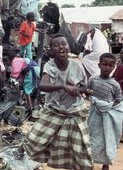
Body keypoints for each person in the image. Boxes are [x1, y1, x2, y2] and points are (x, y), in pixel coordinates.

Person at [14, 34, 93, 170]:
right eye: (56, 45)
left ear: (69, 47)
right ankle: (20, 151)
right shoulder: (50, 66)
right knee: (36, 136)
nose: (61, 47)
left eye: (64, 44)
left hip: (75, 110)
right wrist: (63, 86)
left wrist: (78, 89)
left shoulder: (77, 66)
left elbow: (85, 87)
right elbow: (42, 86)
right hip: (55, 109)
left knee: (80, 145)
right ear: (51, 51)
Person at [87, 53, 123, 170]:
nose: (107, 68)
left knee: (106, 139)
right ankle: (89, 163)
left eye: (110, 65)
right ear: (99, 65)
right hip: (93, 116)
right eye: (104, 64)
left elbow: (119, 101)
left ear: (114, 67)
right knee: (91, 138)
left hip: (107, 118)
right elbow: (87, 93)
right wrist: (89, 95)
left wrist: (107, 107)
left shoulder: (115, 85)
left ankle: (105, 164)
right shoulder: (93, 79)